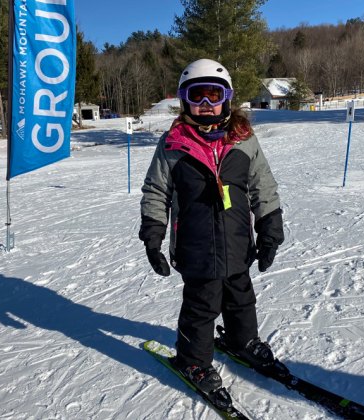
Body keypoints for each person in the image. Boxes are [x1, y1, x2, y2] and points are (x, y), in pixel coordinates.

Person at [139, 59, 284, 394]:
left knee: (241, 299)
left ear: (227, 98)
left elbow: (263, 185)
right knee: (201, 307)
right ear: (184, 99)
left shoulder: (244, 140)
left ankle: (242, 341)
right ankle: (193, 361)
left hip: (237, 243)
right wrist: (152, 235)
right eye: (196, 96)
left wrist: (270, 228)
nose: (205, 105)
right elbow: (156, 190)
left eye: (213, 96)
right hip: (196, 247)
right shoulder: (173, 144)